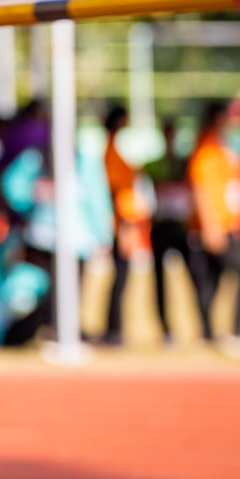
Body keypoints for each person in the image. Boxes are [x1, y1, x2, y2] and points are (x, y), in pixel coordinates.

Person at [187, 101, 240, 343]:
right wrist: (211, 227)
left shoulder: (220, 146)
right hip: (220, 225)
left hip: (230, 223)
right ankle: (239, 330)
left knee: (215, 279)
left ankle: (211, 332)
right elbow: (202, 189)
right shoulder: (207, 149)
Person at [100, 107, 149, 346]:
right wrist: (124, 228)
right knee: (120, 278)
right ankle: (114, 329)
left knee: (122, 278)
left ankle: (116, 327)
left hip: (124, 222)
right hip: (122, 224)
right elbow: (115, 192)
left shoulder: (114, 150)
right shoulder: (110, 152)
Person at [144, 118, 194, 344]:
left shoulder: (185, 162)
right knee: (159, 279)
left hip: (179, 224)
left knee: (196, 272)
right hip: (162, 222)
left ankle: (203, 325)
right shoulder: (155, 163)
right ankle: (165, 328)